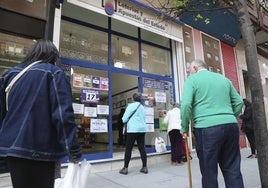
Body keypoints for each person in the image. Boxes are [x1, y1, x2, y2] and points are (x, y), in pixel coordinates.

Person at [0, 39, 81, 188]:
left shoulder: (9, 75)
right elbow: (63, 116)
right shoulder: (54, 73)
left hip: (12, 151)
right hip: (40, 150)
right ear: (53, 56)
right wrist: (73, 152)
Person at [180, 59, 244, 188]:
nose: (189, 72)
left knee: (209, 172)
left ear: (195, 67)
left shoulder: (192, 80)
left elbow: (186, 105)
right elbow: (238, 102)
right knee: (232, 169)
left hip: (207, 128)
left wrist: (184, 127)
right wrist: (229, 116)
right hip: (231, 126)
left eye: (190, 70)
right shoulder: (224, 79)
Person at [119, 92, 148, 175]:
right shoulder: (142, 107)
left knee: (128, 148)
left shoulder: (130, 106)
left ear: (133, 98)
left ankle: (125, 168)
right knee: (142, 148)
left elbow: (124, 119)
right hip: (142, 130)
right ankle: (144, 167)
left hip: (132, 130)